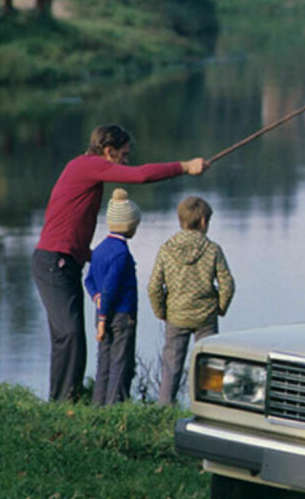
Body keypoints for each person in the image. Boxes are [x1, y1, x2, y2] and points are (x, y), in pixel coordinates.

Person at [31, 123, 206, 402]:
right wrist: (185, 166)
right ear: (108, 151)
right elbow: (141, 175)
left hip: (64, 261)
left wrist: (91, 255)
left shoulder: (84, 170)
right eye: (123, 155)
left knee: (68, 336)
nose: (126, 162)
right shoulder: (88, 165)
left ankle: (64, 399)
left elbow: (70, 229)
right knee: (70, 335)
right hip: (54, 263)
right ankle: (64, 401)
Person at [148, 196, 235, 405]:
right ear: (203, 221)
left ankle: (164, 407)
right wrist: (220, 308)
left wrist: (162, 311)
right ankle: (210, 407)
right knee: (211, 363)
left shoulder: (166, 249)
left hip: (176, 315)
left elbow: (153, 286)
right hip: (205, 315)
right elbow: (227, 284)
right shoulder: (213, 249)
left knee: (171, 364)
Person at [84, 188, 141, 406]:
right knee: (120, 362)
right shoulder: (121, 254)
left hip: (102, 312)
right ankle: (114, 406)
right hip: (119, 316)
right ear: (129, 225)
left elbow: (89, 281)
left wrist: (96, 298)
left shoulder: (98, 250)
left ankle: (98, 404)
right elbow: (111, 287)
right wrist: (103, 317)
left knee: (104, 362)